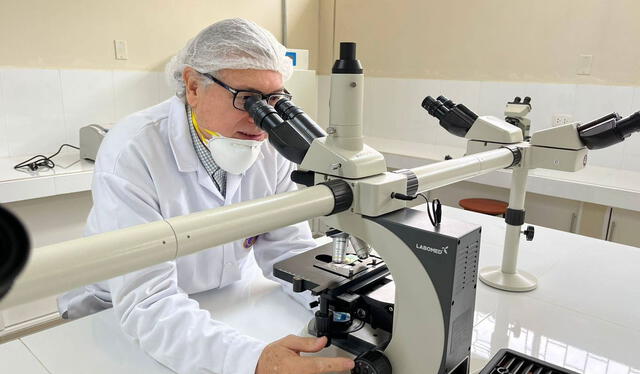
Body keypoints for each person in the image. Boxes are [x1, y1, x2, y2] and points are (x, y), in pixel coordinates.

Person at [58, 18, 355, 374]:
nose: (262, 120)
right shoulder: (133, 150)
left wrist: (345, 308)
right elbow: (149, 300)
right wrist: (252, 360)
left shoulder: (272, 149)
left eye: (274, 100)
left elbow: (288, 253)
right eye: (247, 99)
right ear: (193, 86)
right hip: (118, 315)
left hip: (226, 299)